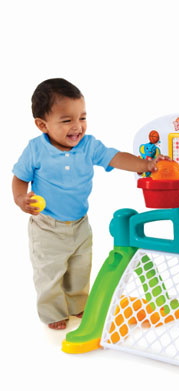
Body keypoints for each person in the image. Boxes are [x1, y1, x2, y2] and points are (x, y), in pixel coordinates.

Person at [12, 78, 167, 330]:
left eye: (82, 117)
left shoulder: (88, 146)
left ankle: (77, 304)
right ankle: (53, 313)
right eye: (66, 120)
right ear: (42, 125)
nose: (77, 126)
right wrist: (21, 199)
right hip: (47, 227)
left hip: (80, 224)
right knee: (49, 273)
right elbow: (19, 178)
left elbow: (115, 157)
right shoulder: (35, 150)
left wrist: (145, 164)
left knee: (80, 269)